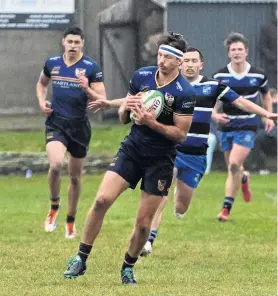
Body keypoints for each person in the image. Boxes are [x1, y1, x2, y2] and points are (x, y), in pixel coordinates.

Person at [89, 47, 277, 257]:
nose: (189, 64)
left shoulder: (212, 86)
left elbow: (240, 102)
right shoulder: (170, 86)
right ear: (180, 63)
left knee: (180, 207)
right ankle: (149, 241)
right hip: (171, 150)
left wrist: (267, 113)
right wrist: (110, 104)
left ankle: (181, 197)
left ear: (200, 65)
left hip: (196, 155)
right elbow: (142, 98)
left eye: (193, 61)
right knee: (161, 194)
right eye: (186, 60)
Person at [63, 32, 196, 285]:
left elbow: (180, 135)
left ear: (179, 62)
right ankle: (80, 258)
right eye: (160, 55)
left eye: (168, 57)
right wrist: (126, 109)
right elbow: (125, 117)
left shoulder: (185, 93)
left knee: (144, 225)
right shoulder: (142, 76)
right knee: (102, 199)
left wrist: (152, 122)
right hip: (132, 149)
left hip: (160, 159)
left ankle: (127, 267)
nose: (162, 61)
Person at [36, 26, 107, 239]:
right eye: (70, 42)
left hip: (79, 127)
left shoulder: (91, 67)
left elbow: (102, 100)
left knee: (75, 177)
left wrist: (87, 89)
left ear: (82, 44)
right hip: (56, 123)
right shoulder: (52, 64)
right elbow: (41, 84)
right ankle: (54, 206)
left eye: (77, 42)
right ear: (63, 42)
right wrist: (42, 102)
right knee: (56, 165)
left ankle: (70, 220)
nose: (73, 46)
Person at [212, 32, 275, 222]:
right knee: (234, 168)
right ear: (228, 53)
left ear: (246, 52)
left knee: (233, 164)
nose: (237, 52)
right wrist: (215, 114)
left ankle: (225, 209)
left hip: (248, 124)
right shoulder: (220, 75)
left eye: (240, 49)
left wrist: (268, 116)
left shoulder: (258, 74)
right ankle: (244, 176)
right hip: (227, 125)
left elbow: (266, 96)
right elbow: (213, 100)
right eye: (233, 50)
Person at [253, 88, 277, 175]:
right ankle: (261, 167)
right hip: (262, 133)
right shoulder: (258, 108)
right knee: (256, 139)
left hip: (274, 132)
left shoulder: (275, 106)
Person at [259, 7, 277, 89]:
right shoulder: (267, 28)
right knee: (273, 91)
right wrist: (272, 57)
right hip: (273, 67)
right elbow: (262, 46)